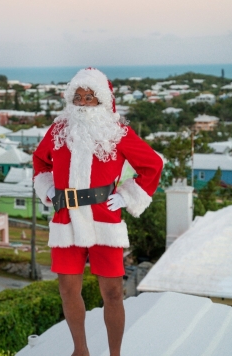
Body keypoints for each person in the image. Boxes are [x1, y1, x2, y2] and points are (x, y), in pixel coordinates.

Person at [33, 67, 163, 356]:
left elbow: (152, 165)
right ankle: (81, 350)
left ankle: (115, 354)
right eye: (77, 96)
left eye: (89, 97)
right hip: (65, 217)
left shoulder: (118, 132)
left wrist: (128, 196)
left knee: (113, 293)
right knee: (68, 290)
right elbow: (41, 162)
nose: (82, 102)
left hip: (104, 217)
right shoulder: (58, 130)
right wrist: (48, 189)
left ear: (102, 100)